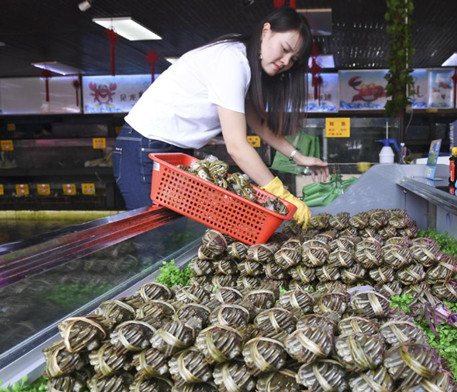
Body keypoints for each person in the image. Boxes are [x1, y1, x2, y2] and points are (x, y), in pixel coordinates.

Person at [112, 7, 328, 227]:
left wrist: (298, 157)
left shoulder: (245, 63)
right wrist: (281, 195)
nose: (285, 61)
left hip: (171, 152)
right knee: (157, 239)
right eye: (284, 49)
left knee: (174, 233)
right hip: (144, 149)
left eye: (293, 59)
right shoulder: (233, 61)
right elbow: (236, 146)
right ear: (266, 31)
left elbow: (259, 124)